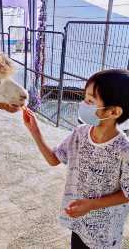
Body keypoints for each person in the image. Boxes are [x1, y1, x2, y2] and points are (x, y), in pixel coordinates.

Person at [22, 69, 129, 249]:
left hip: (105, 234)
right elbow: (54, 159)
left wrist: (92, 204)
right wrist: (35, 131)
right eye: (84, 98)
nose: (83, 105)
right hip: (79, 224)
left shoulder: (124, 150)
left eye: (90, 101)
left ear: (114, 112)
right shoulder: (79, 134)